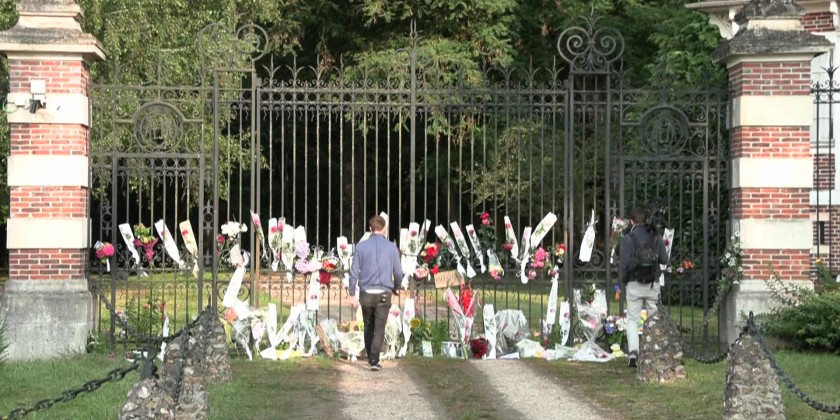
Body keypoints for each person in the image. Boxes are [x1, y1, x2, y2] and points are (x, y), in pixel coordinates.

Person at [348, 215, 404, 371]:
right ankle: (374, 359)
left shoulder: (361, 247)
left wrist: (351, 293)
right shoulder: (391, 248)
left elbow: (353, 272)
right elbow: (398, 272)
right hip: (384, 292)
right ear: (385, 228)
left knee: (368, 325)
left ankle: (370, 356)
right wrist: (396, 286)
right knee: (380, 326)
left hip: (366, 292)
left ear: (370, 228)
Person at [620, 207, 669, 368]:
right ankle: (654, 351)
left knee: (633, 320)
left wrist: (624, 281)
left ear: (632, 221)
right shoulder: (656, 236)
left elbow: (624, 265)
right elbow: (664, 259)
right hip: (652, 284)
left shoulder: (628, 239)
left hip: (634, 283)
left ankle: (633, 352)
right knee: (653, 318)